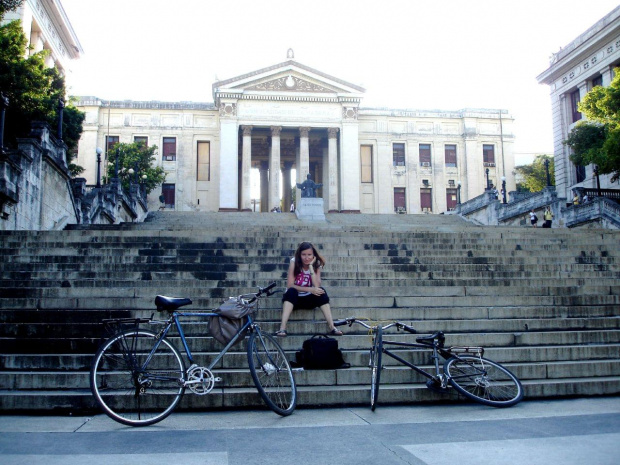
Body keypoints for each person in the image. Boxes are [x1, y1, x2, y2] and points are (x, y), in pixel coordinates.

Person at [276, 241, 343, 337]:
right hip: (294, 300)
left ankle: (332, 327)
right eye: (303, 254)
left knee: (321, 292)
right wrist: (310, 290)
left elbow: (317, 286)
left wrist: (311, 267)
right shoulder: (294, 262)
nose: (306, 258)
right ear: (299, 254)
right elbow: (290, 285)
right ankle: (282, 328)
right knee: (291, 291)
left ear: (313, 255)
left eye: (309, 255)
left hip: (309, 300)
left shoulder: (316, 264)